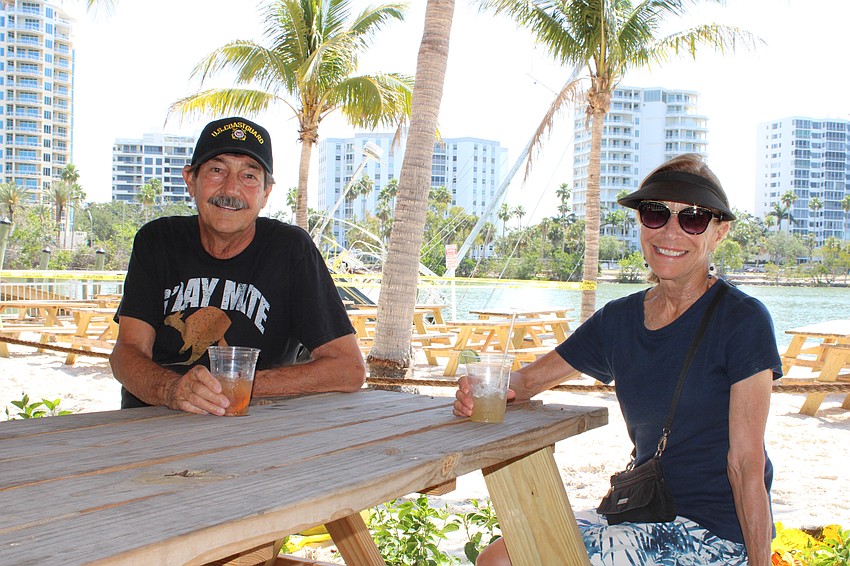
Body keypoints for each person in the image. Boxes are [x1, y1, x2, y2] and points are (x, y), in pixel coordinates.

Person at [454, 154, 780, 566]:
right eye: (655, 214)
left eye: (693, 219)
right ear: (641, 223)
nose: (671, 232)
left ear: (719, 232)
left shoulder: (741, 320)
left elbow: (747, 462)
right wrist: (481, 390)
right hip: (642, 509)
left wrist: (759, 562)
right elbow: (528, 381)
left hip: (711, 533)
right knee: (498, 559)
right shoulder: (620, 319)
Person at [110, 116, 365, 415]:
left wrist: (239, 386)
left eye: (249, 176)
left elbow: (348, 368)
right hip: (153, 418)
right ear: (191, 180)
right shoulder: (157, 241)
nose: (231, 189)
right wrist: (171, 390)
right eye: (217, 170)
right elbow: (126, 353)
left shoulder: (291, 250)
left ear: (266, 193)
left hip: (252, 424)